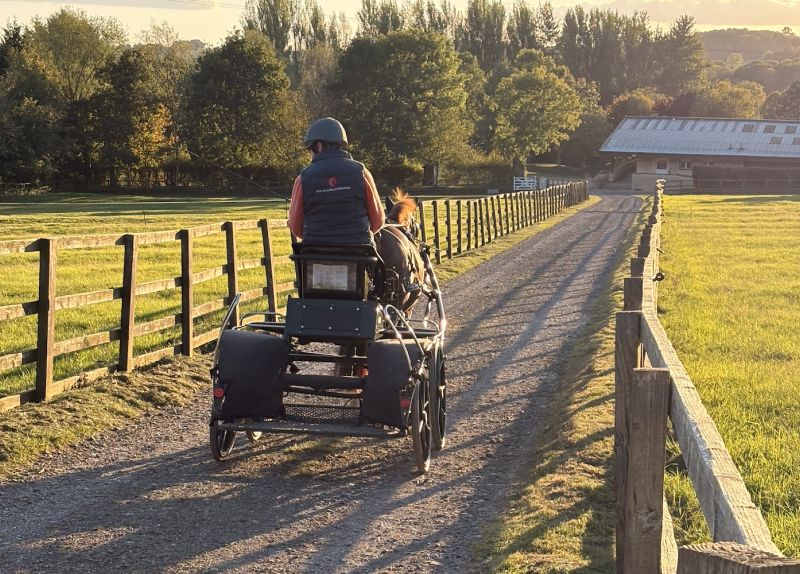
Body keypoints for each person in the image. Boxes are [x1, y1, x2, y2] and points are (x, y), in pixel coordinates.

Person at [288, 118, 385, 245]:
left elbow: (295, 226)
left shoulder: (303, 178)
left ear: (318, 146)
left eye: (309, 149)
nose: (310, 154)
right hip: (358, 251)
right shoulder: (362, 172)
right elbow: (378, 221)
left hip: (315, 251)